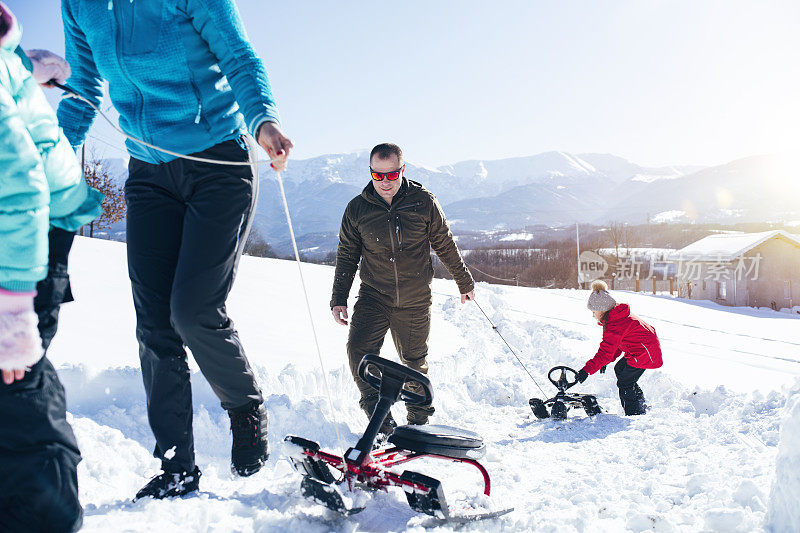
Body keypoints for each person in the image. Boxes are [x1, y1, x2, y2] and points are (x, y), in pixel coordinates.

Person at [56, 0, 294, 498]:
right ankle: (176, 466)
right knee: (153, 323)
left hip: (219, 163)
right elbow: (83, 84)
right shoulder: (78, 4)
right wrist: (51, 152)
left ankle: (245, 408)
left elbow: (239, 58)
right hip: (147, 172)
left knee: (193, 309)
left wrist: (263, 120)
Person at [0, 3, 104, 530]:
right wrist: (11, 312)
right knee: (25, 408)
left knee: (29, 386)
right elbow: (15, 178)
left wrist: (21, 70)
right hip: (15, 259)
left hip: (38, 237)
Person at [331, 143, 475, 434]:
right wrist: (339, 298)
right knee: (359, 350)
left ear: (402, 170)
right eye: (378, 175)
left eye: (391, 175)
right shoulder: (357, 208)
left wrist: (464, 281)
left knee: (413, 363)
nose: (385, 182)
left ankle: (418, 421)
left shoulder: (423, 202)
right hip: (374, 296)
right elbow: (347, 254)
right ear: (371, 172)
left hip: (415, 298)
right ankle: (378, 414)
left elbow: (444, 244)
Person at [576, 280, 663, 415]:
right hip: (641, 350)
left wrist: (586, 370)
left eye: (594, 311)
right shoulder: (615, 317)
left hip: (645, 353)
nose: (592, 315)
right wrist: (606, 361)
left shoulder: (615, 324)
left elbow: (605, 352)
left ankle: (634, 414)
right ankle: (640, 402)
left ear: (602, 310)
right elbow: (615, 347)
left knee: (625, 383)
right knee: (620, 369)